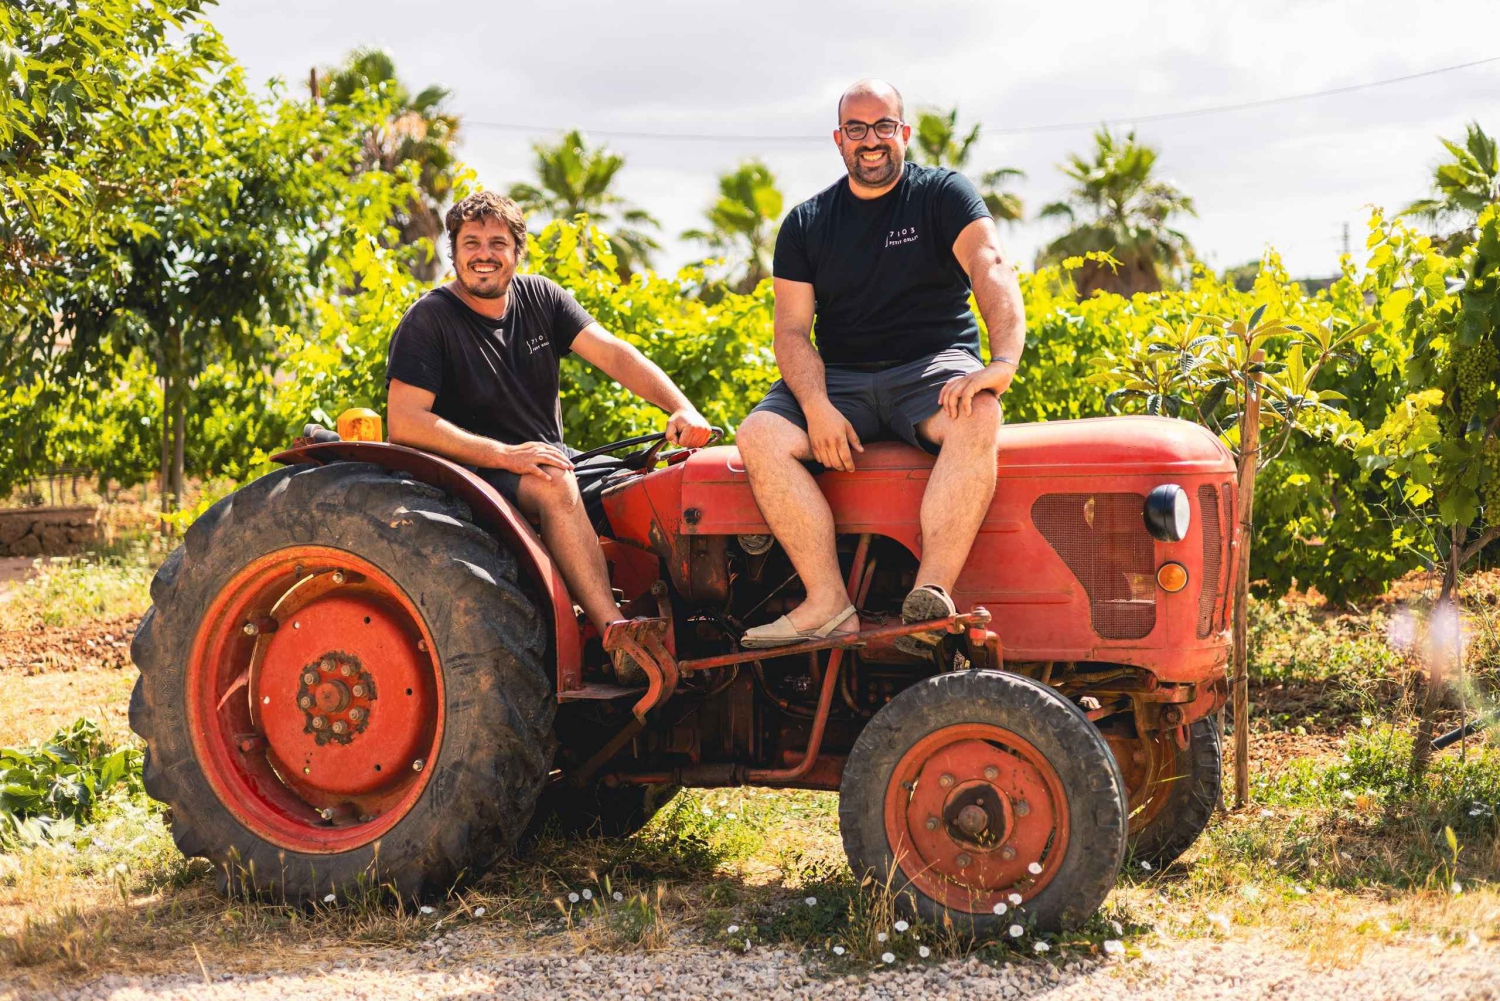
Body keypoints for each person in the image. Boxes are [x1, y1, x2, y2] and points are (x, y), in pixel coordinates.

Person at [736, 79, 1026, 654]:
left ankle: (930, 596)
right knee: (759, 435)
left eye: (884, 126)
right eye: (857, 129)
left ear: (904, 133)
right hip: (840, 376)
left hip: (932, 366)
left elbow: (990, 264)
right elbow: (792, 331)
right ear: (839, 139)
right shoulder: (807, 223)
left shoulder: (942, 195)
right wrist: (816, 407)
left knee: (978, 414)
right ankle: (827, 603)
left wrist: (1002, 362)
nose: (871, 141)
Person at [385, 190, 713, 646]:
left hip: (545, 457)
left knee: (651, 484)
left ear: (517, 251)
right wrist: (505, 454)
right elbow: (405, 422)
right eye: (471, 243)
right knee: (554, 479)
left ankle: (694, 626)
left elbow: (614, 355)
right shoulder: (430, 319)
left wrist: (680, 407)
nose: (484, 255)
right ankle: (615, 634)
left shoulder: (540, 297)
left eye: (497, 243)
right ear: (454, 253)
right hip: (471, 473)